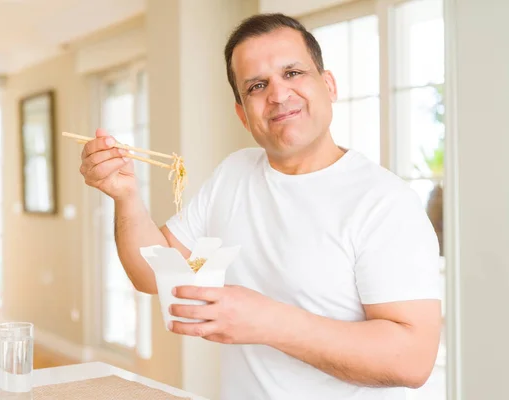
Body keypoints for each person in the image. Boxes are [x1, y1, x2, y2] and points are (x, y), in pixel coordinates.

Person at [79, 13, 442, 400]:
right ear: (242, 113)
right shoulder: (233, 174)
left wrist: (267, 321)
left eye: (293, 73)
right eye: (257, 85)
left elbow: (412, 361)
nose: (278, 94)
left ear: (329, 85)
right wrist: (125, 196)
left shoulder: (384, 201)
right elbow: (154, 274)